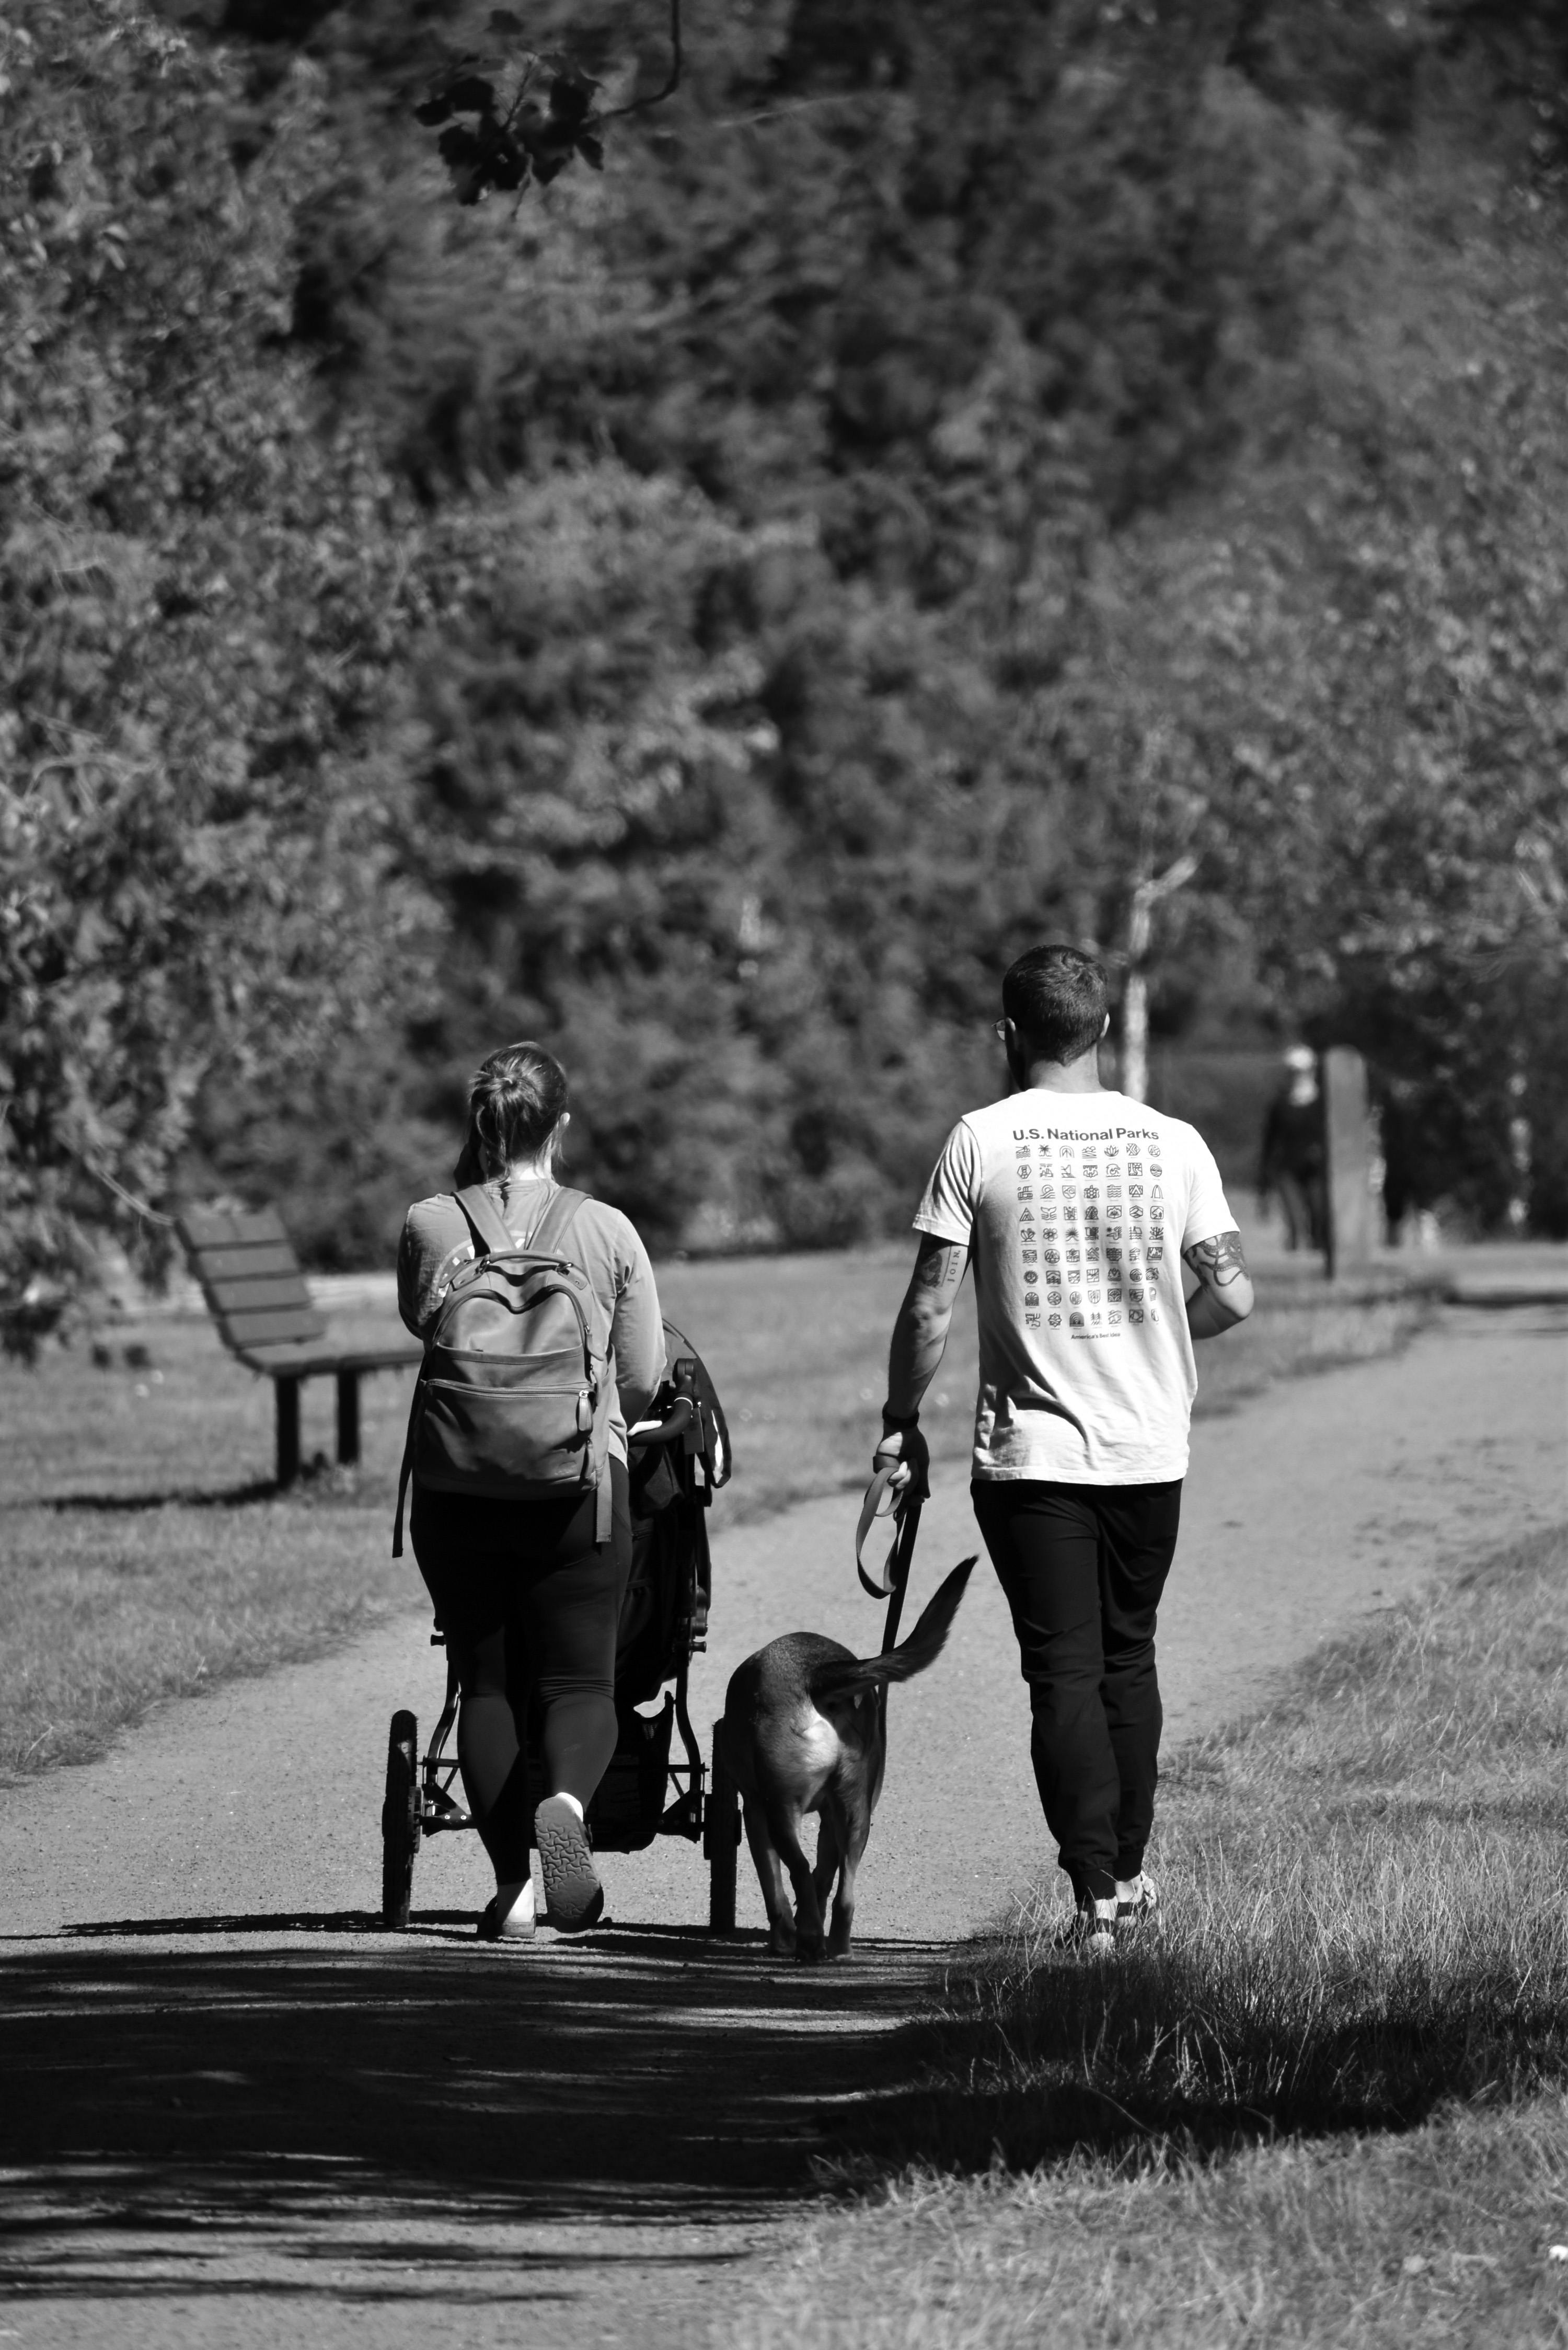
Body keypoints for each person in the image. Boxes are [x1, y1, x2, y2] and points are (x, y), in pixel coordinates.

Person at [872, 943, 1254, 1951]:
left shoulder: (980, 1139)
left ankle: (1095, 1900)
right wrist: (1160, 1334)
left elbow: (930, 1305)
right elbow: (1232, 1293)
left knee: (1063, 1672)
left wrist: (900, 1419)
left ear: (1008, 1033)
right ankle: (1126, 1873)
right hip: (1148, 1449)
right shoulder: (1175, 1141)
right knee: (1130, 1657)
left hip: (1031, 1457)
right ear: (1106, 1029)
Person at [397, 1042, 665, 1942]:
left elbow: (422, 1323)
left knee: (486, 1685)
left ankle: (512, 1890)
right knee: (580, 1680)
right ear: (561, 1125)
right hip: (577, 1489)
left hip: (457, 1487)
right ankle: (568, 1805)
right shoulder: (607, 1229)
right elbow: (641, 1378)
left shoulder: (431, 1223)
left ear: (478, 1125)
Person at [1259, 1045, 1327, 1253]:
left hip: (1316, 1170)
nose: (1298, 1076)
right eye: (1294, 1071)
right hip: (1287, 1168)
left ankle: (1317, 1258)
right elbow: (1270, 1141)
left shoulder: (1323, 1103)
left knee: (1319, 1217)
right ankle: (1295, 1258)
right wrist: (1264, 1179)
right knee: (1295, 1222)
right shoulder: (1280, 1105)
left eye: (1302, 1071)